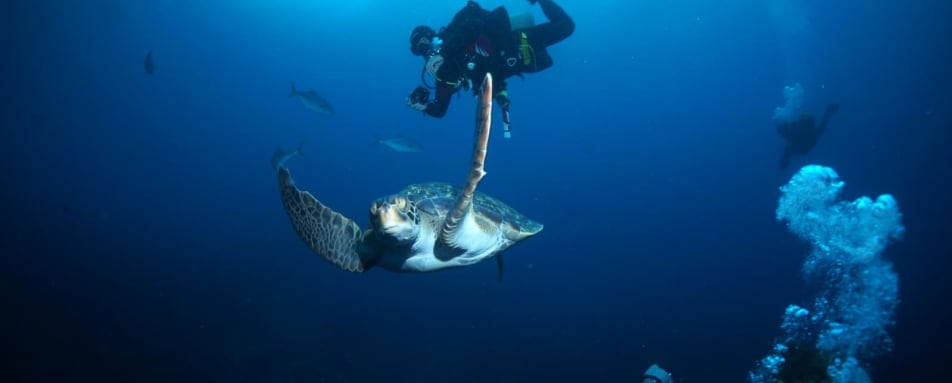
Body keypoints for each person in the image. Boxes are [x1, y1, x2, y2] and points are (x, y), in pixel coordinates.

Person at [406, 0, 574, 138]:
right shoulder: (443, 73)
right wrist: (424, 106)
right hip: (516, 63)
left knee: (566, 26)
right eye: (420, 48)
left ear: (432, 36)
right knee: (546, 62)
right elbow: (440, 109)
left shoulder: (452, 35)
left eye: (425, 41)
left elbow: (475, 25)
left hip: (516, 42)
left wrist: (444, 53)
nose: (426, 49)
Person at [777, 103, 840, 170]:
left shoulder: (806, 132)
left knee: (788, 148)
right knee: (788, 147)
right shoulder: (810, 131)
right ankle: (784, 164)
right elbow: (823, 123)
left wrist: (781, 126)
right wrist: (829, 112)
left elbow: (823, 123)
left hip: (803, 147)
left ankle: (784, 165)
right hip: (803, 146)